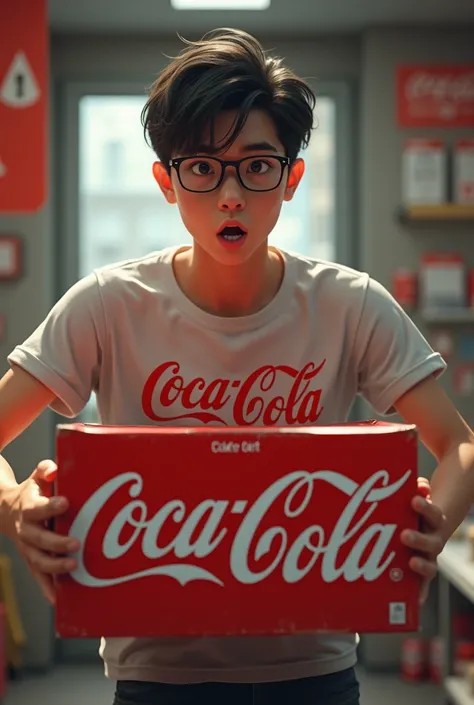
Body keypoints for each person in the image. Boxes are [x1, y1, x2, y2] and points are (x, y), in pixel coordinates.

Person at [0, 27, 472, 705]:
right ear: (166, 180)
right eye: (202, 166)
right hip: (155, 674)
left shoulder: (351, 304)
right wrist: (16, 505)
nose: (230, 195)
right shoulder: (108, 305)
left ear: (291, 178)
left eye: (256, 166)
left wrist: (435, 524)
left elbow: (459, 443)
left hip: (316, 667)